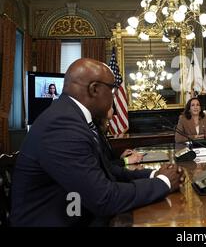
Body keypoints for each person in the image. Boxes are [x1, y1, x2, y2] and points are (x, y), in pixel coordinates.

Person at [11, 58, 185, 226]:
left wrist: (153, 175)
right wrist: (164, 182)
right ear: (94, 89)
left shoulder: (72, 116)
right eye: (112, 90)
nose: (114, 98)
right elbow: (104, 199)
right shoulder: (62, 125)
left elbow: (107, 172)